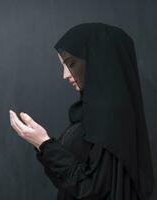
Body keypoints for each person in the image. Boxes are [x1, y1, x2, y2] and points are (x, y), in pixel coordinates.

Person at [9, 23, 154, 199]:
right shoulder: (91, 113)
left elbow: (91, 189)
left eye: (70, 63)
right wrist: (42, 144)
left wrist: (44, 144)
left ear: (99, 59)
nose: (65, 75)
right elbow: (71, 181)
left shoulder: (109, 116)